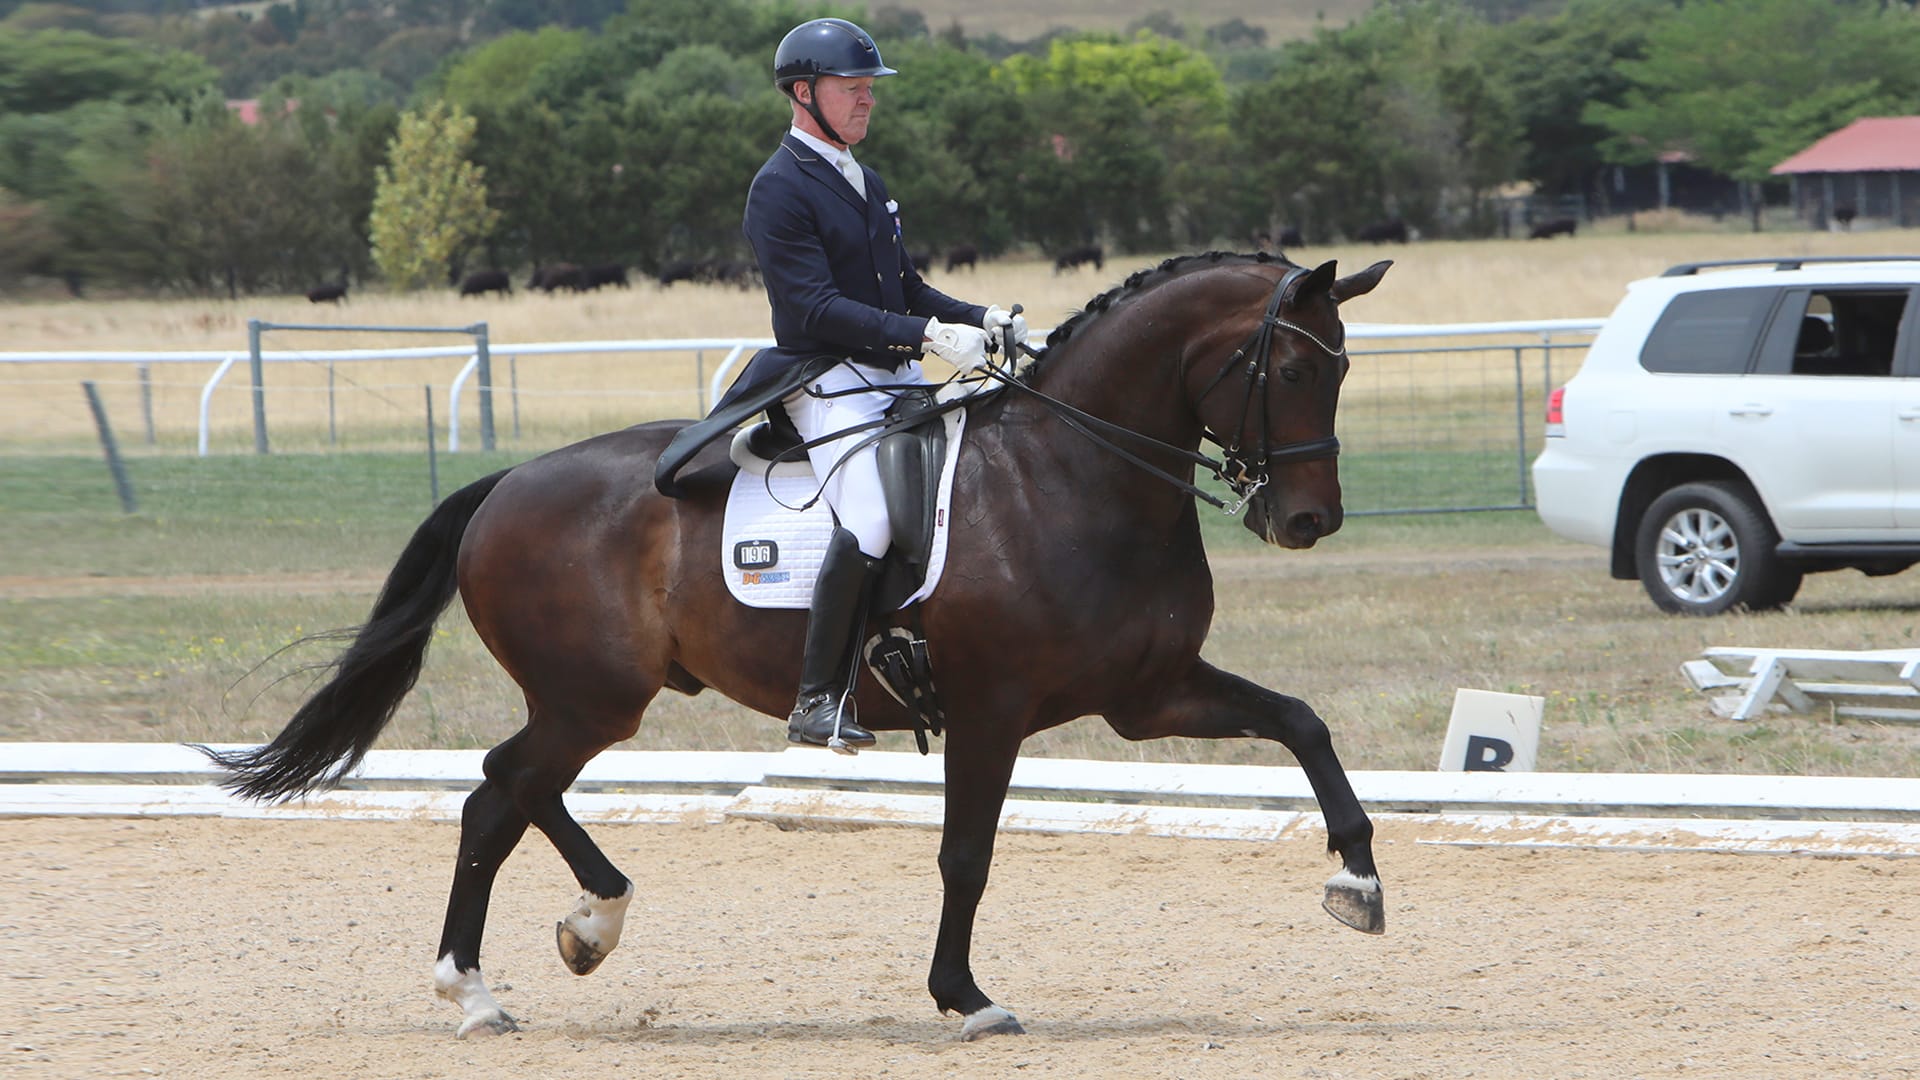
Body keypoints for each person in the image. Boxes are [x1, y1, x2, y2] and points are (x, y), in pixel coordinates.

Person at [737, 17, 1026, 753]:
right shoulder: (779, 188)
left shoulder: (865, 179)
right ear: (804, 93)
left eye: (871, 89)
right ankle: (817, 701)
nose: (867, 100)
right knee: (868, 517)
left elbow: (905, 287)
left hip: (892, 376)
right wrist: (926, 337)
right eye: (852, 89)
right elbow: (813, 309)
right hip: (826, 379)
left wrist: (981, 317)